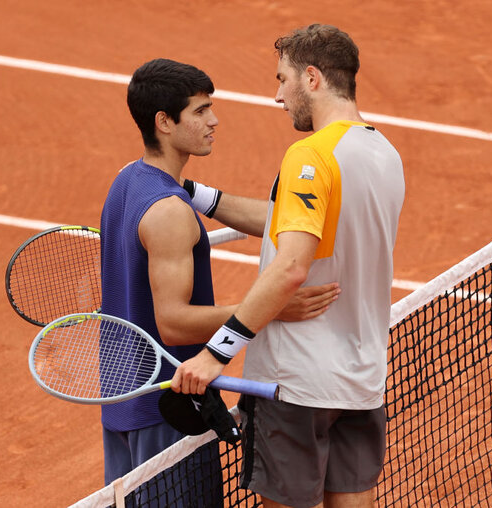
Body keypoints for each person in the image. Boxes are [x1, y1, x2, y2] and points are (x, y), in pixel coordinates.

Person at [172, 24, 405, 508]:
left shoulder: (310, 156)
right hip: (361, 382)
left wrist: (216, 353)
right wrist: (197, 194)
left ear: (313, 79)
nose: (277, 95)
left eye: (283, 79)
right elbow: (292, 222)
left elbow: (290, 267)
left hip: (294, 385)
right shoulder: (384, 153)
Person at [100, 58, 340, 489]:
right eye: (200, 110)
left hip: (125, 405)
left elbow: (276, 219)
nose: (214, 120)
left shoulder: (127, 182)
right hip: (167, 409)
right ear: (164, 122)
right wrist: (270, 309)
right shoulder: (170, 213)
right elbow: (172, 323)